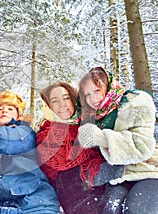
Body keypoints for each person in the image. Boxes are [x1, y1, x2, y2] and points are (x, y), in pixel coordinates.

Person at [77, 67, 158, 214]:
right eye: (87, 95)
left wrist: (101, 138)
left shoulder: (135, 101)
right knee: (110, 209)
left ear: (107, 86)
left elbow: (142, 147)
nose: (93, 99)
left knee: (137, 210)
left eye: (96, 91)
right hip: (123, 173)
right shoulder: (94, 116)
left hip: (152, 168)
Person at [35, 82, 107, 214]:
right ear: (48, 106)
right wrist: (92, 149)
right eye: (55, 101)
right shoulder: (45, 133)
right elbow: (60, 161)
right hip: (72, 192)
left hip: (99, 188)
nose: (62, 105)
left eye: (66, 98)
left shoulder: (89, 124)